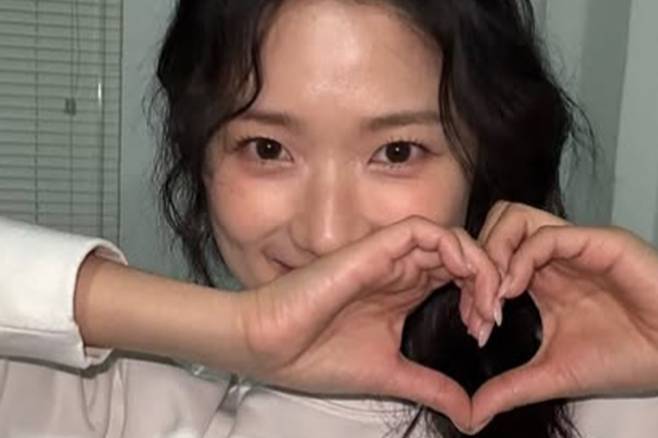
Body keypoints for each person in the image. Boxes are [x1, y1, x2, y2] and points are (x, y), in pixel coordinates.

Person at [1, 1, 658, 437]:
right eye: (267, 149)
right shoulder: (105, 407)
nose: (328, 234)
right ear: (200, 160)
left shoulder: (614, 407)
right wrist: (239, 330)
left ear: (480, 165)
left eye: (396, 152)